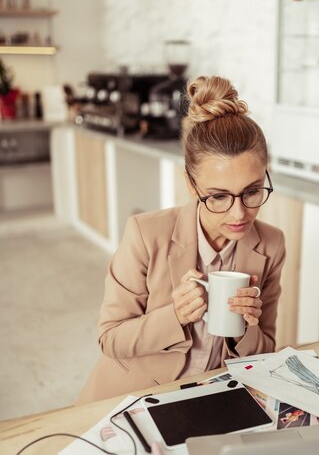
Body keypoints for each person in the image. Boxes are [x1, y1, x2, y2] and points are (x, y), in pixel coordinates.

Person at [77, 75, 286, 403]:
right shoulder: (146, 235)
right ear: (191, 185)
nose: (238, 214)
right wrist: (173, 315)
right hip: (138, 396)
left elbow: (266, 350)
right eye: (218, 196)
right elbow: (110, 339)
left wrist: (248, 327)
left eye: (252, 192)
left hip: (216, 394)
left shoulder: (271, 245)